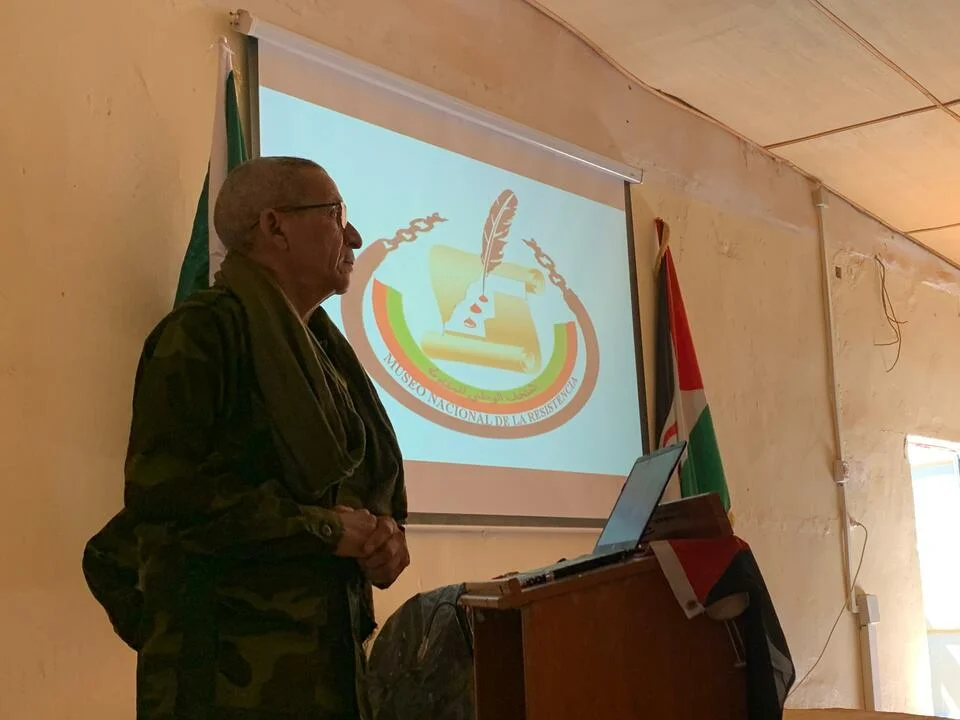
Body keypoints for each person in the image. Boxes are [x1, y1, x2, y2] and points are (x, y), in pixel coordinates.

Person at [82, 156, 410, 719]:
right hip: (224, 682)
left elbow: (360, 496)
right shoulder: (203, 333)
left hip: (325, 674)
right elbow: (168, 499)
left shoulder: (328, 355)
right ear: (275, 226)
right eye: (336, 214)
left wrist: (385, 542)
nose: (354, 235)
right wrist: (325, 529)